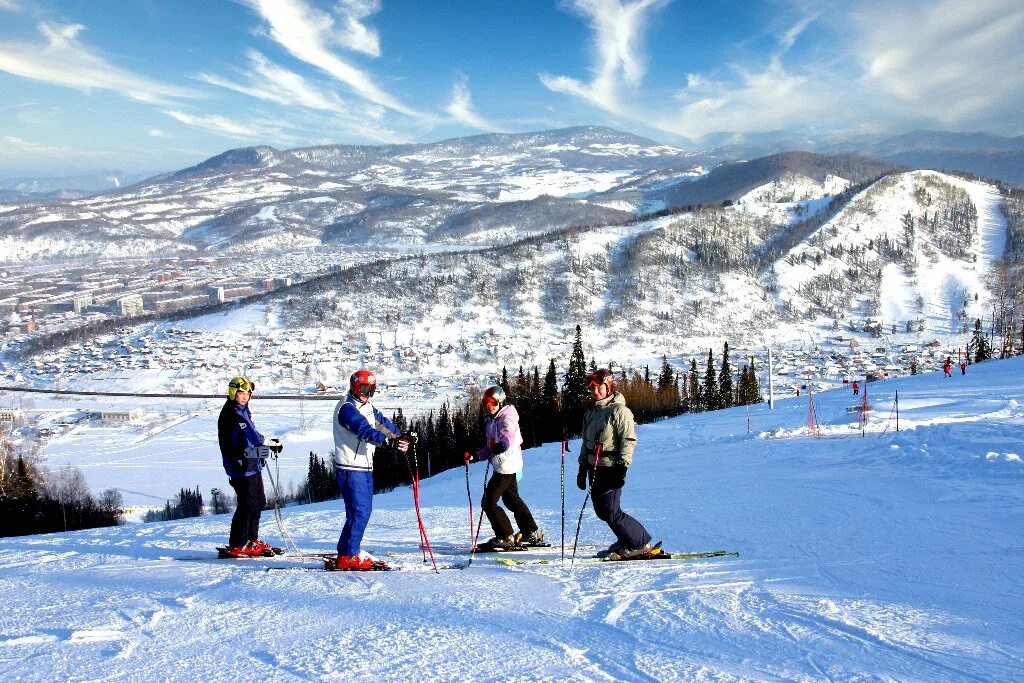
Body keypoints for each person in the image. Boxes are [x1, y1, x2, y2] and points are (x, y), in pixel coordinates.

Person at [332, 369, 409, 570]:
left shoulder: (367, 406)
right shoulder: (347, 408)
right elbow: (363, 430)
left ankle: (347, 550)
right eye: (364, 388)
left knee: (359, 512)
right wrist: (387, 442)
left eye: (371, 389)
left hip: (364, 467)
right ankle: (348, 555)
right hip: (350, 468)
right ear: (354, 387)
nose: (367, 393)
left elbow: (384, 424)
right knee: (360, 512)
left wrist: (402, 437)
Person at [576, 369, 653, 559]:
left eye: (598, 387)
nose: (594, 392)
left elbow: (628, 440)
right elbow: (586, 442)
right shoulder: (591, 413)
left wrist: (622, 467)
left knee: (611, 510)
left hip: (611, 467)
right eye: (591, 388)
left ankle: (639, 542)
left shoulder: (620, 411)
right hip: (594, 466)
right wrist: (582, 467)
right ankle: (625, 538)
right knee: (603, 511)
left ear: (608, 385)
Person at [466, 386, 543, 550]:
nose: (489, 405)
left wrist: (502, 445)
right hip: (506, 464)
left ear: (500, 402)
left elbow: (508, 435)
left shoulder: (506, 418)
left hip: (505, 466)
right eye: (486, 402)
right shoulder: (494, 421)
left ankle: (505, 536)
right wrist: (476, 455)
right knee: (511, 499)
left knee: (488, 502)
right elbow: (491, 447)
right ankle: (530, 531)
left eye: (493, 402)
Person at [217, 376, 282, 558]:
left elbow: (251, 435)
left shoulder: (243, 410)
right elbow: (251, 435)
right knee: (247, 504)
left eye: (247, 393)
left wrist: (262, 446)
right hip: (239, 465)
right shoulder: (233, 413)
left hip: (251, 463)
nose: (245, 396)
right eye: (241, 393)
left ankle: (251, 539)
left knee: (258, 501)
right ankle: (238, 543)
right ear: (233, 393)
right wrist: (268, 443)